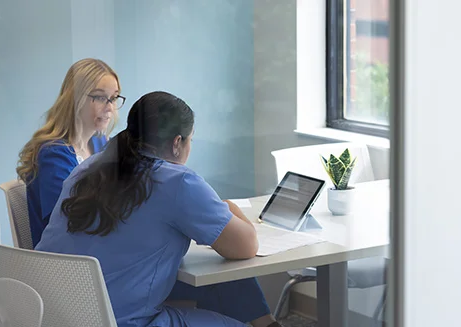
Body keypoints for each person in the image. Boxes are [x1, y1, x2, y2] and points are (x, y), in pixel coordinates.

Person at [36, 91, 280, 327]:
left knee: (215, 285)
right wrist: (228, 208)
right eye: (190, 139)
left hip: (49, 314)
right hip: (117, 319)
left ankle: (267, 323)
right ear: (177, 143)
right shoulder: (178, 182)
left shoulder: (88, 167)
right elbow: (246, 246)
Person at [16, 58, 124, 247]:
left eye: (113, 98)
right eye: (100, 97)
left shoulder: (99, 143)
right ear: (75, 99)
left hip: (93, 247)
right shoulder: (53, 154)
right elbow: (70, 221)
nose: (109, 108)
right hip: (65, 262)